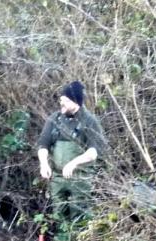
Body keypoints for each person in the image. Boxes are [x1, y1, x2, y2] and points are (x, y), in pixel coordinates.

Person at [37, 81, 107, 224]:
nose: (61, 104)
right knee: (58, 216)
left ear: (76, 102)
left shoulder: (89, 121)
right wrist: (44, 164)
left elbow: (93, 152)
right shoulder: (54, 119)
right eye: (61, 100)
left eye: (66, 101)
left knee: (80, 217)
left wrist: (73, 163)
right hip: (57, 177)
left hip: (80, 178)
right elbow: (43, 144)